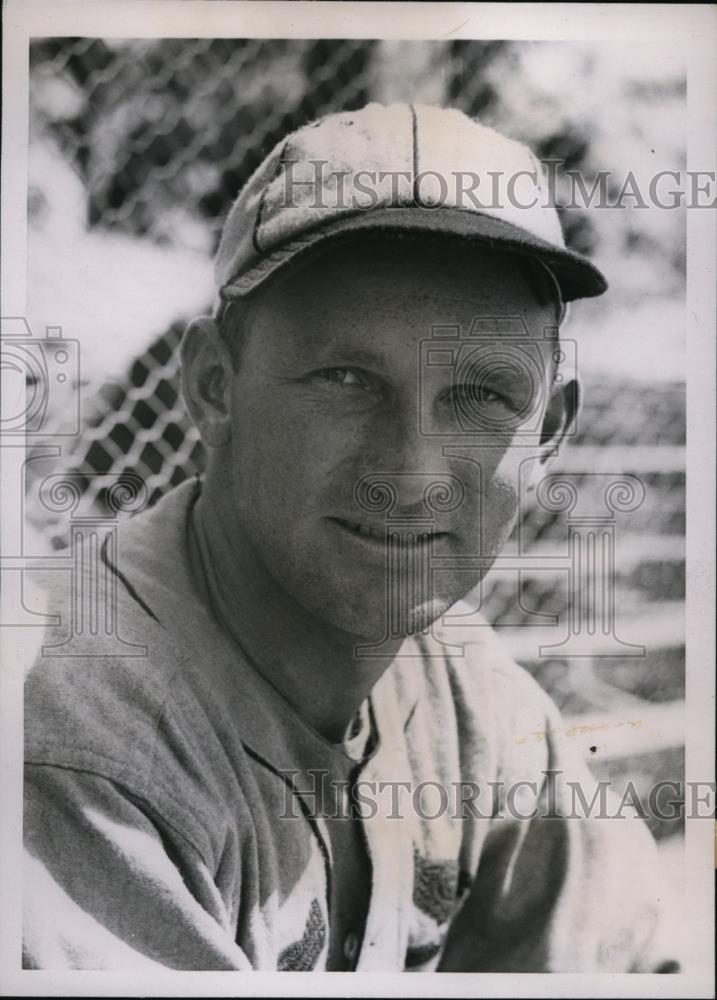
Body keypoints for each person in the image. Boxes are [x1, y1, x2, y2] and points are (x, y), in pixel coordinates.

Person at [23, 103, 677, 972]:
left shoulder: (462, 692)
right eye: (345, 379)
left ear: (549, 429)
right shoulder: (77, 745)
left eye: (482, 396)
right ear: (214, 386)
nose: (412, 472)